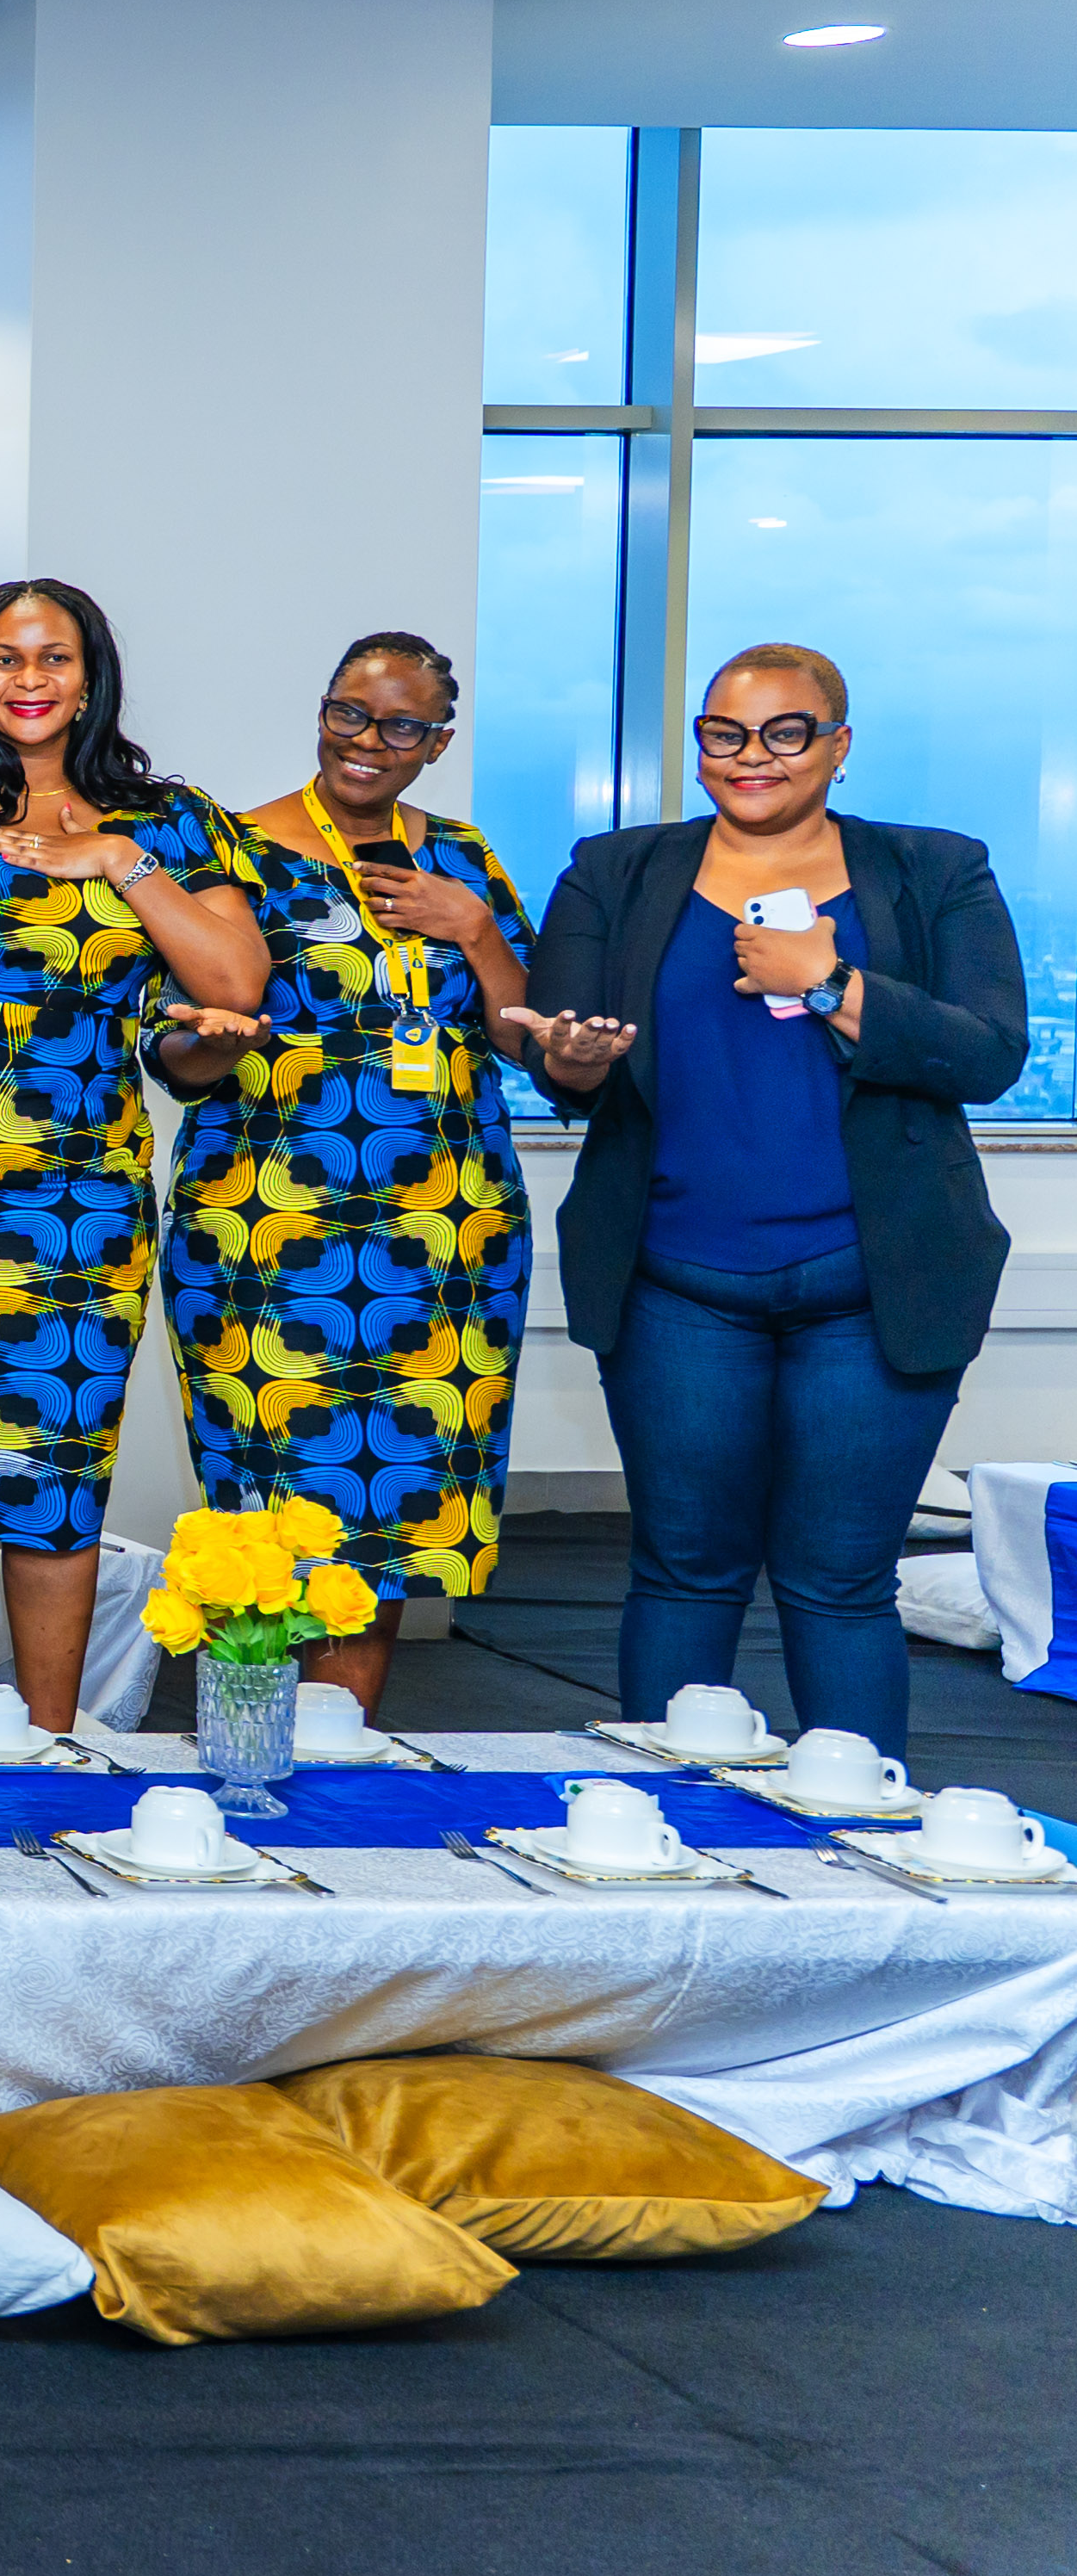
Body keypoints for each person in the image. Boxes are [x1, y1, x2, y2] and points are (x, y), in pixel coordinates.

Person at [511, 642, 1029, 1758]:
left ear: (836, 745)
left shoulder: (932, 870)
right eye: (723, 732)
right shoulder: (614, 870)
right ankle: (664, 1845)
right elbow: (559, 1057)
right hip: (674, 1283)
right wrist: (579, 1055)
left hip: (873, 1285)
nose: (751, 756)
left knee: (836, 1578)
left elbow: (985, 1052)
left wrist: (828, 981)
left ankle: (861, 1856)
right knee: (683, 1569)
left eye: (785, 730)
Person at [0, 579, 269, 1731]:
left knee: (56, 1479)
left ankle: (49, 1745)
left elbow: (231, 984)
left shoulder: (168, 822)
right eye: (2, 658)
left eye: (51, 657)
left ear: (89, 672)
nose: (27, 680)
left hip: (82, 1197)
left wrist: (118, 864)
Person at [147, 637, 535, 1718]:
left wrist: (477, 932)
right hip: (269, 1228)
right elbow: (168, 1056)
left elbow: (525, 1033)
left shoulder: (464, 857)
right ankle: (249, 1756)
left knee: (394, 1508)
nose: (367, 742)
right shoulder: (226, 846)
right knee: (273, 1498)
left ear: (437, 744)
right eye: (348, 714)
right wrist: (214, 1038)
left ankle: (338, 1755)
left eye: (399, 726)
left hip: (446, 1236)